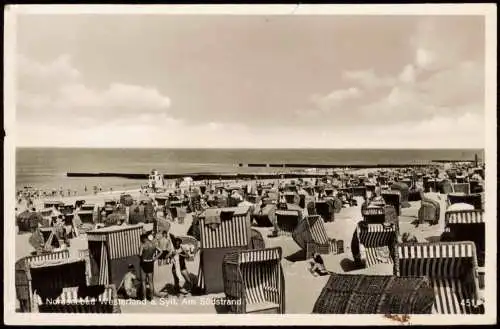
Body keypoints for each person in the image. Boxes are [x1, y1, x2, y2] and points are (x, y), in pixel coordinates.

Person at [139, 233, 161, 301]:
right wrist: (155, 258)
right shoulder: (153, 244)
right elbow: (161, 251)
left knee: (143, 282)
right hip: (150, 262)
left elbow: (140, 254)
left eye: (141, 239)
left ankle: (144, 298)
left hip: (144, 263)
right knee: (151, 282)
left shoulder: (143, 245)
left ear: (143, 238)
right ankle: (152, 298)